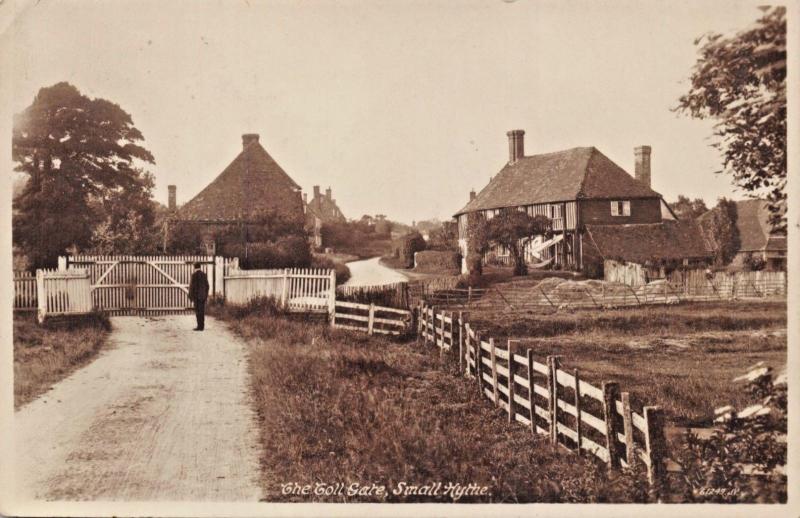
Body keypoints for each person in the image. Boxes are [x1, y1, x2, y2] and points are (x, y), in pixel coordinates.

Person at [188, 262, 209, 331]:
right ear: (200, 267)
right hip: (202, 296)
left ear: (194, 267)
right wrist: (205, 295)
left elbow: (191, 286)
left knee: (197, 311)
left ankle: (199, 326)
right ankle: (202, 326)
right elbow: (207, 286)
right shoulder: (204, 275)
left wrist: (190, 296)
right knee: (202, 311)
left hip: (196, 296)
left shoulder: (194, 275)